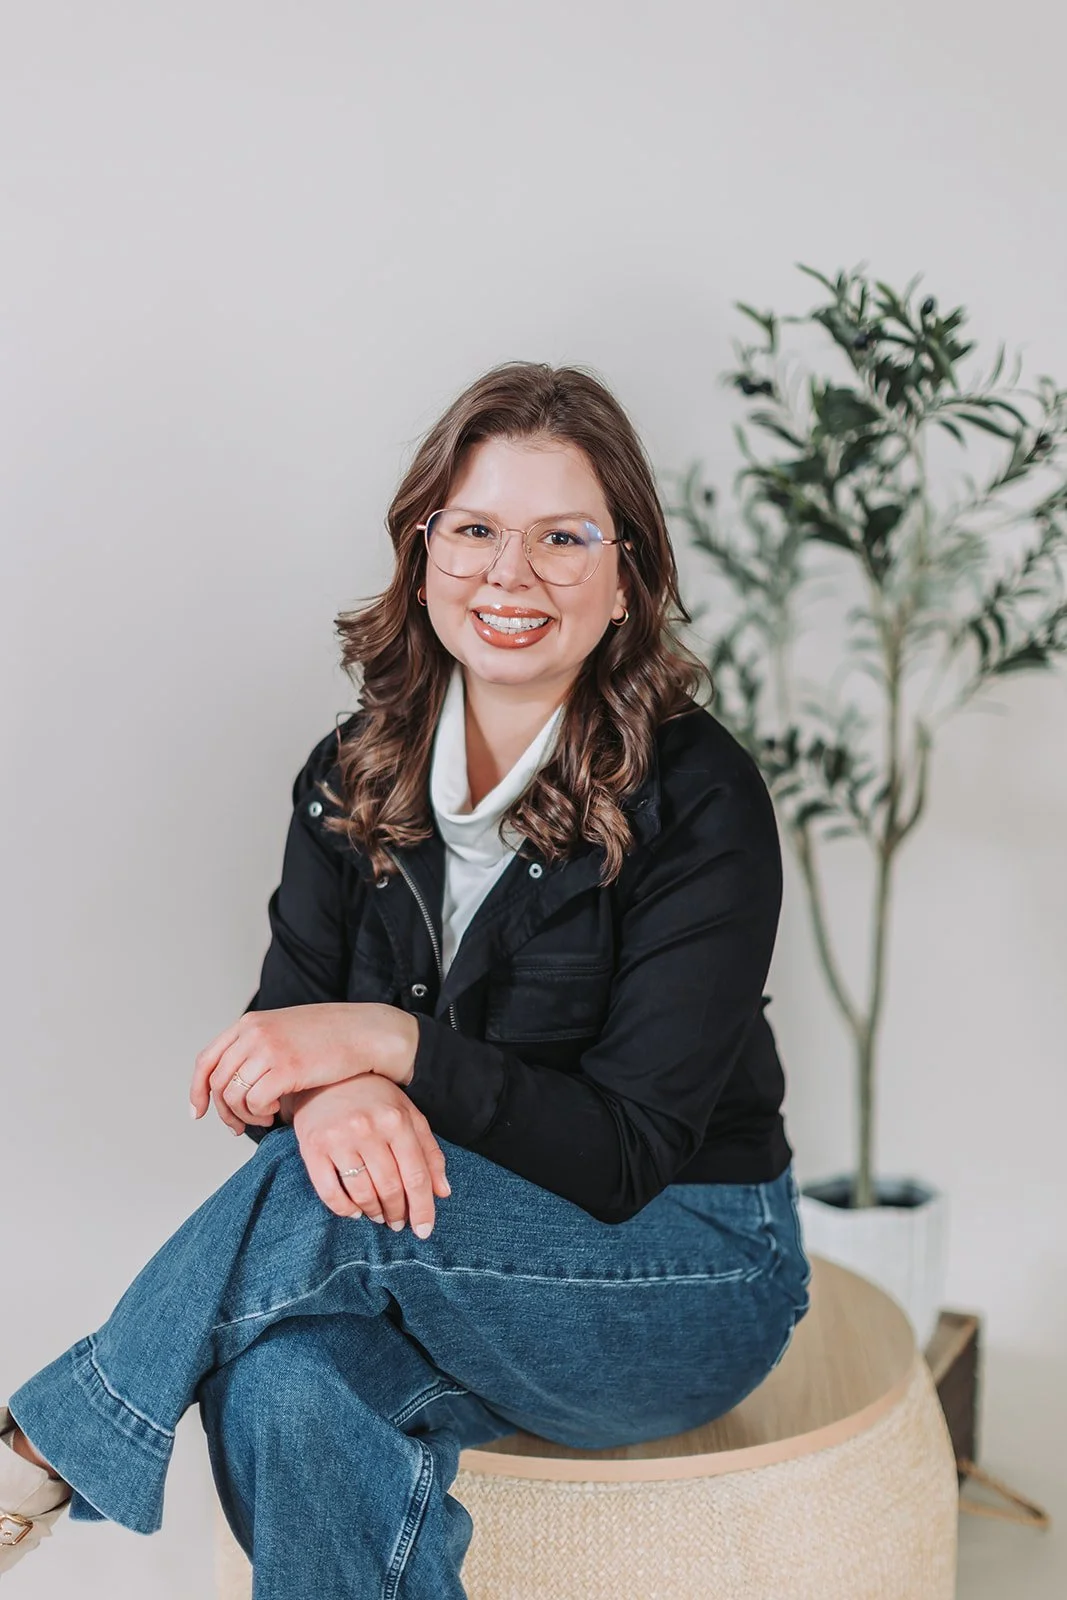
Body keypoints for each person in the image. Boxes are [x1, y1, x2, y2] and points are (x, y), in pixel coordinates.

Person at [1, 361, 812, 1596]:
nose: (509, 574)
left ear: (626, 575)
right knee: (282, 1387)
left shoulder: (700, 798)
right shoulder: (352, 768)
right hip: (437, 1260)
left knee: (327, 1212)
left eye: (562, 538)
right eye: (475, 529)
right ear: (421, 548)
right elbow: (283, 1044)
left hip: (681, 1268)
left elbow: (625, 1151)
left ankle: (37, 1457)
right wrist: (335, 1091)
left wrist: (390, 1044)